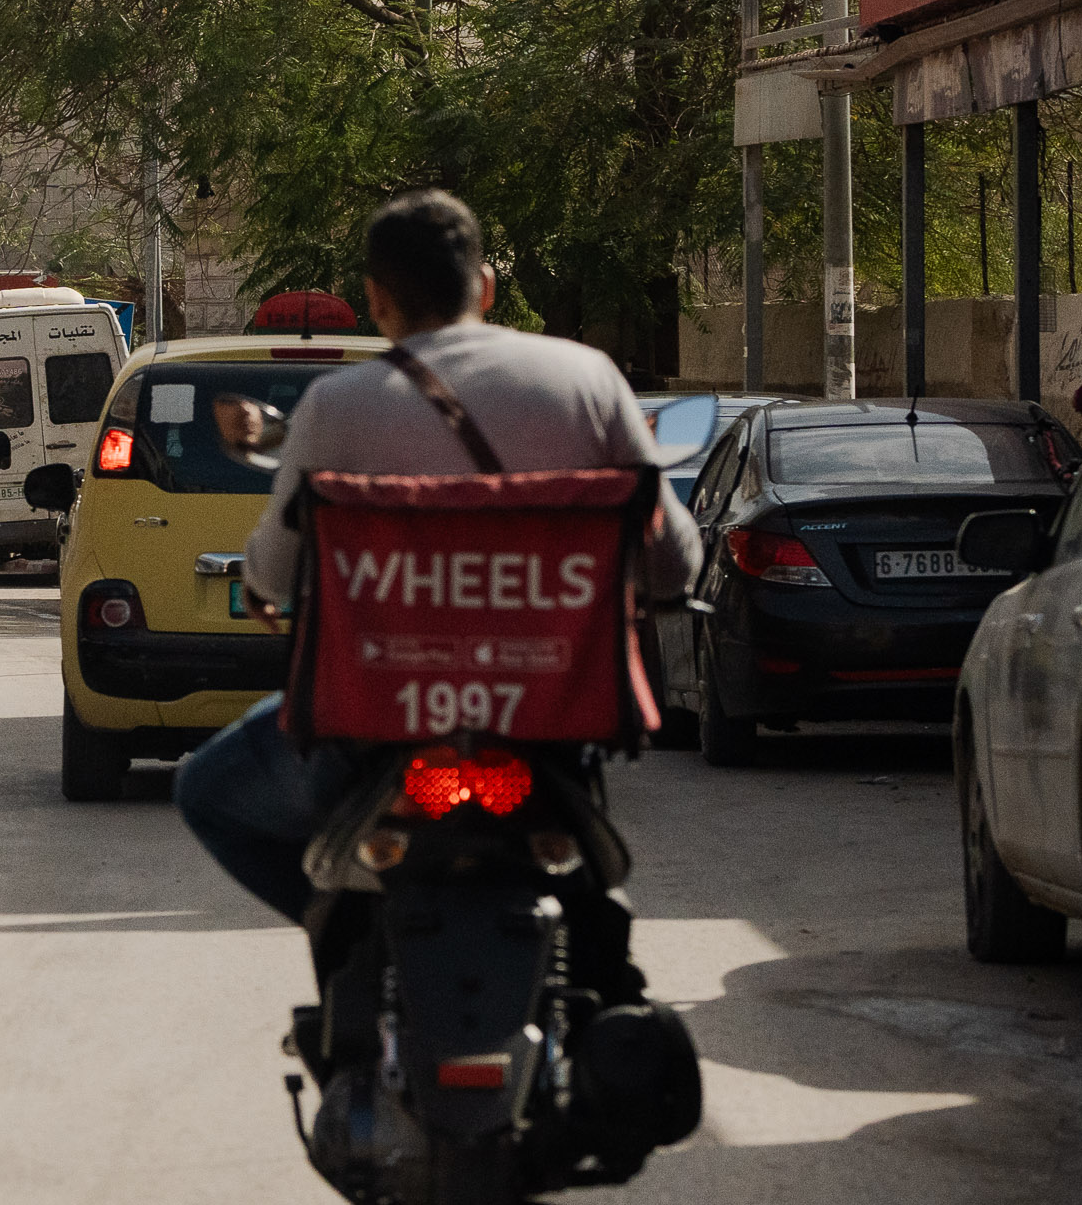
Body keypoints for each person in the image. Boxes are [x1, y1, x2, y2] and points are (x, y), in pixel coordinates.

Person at [174, 188, 699, 1000]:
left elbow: (274, 576)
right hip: (556, 718)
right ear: (484, 286)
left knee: (207, 790)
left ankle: (345, 928)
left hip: (378, 720)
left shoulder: (336, 407)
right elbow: (674, 565)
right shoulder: (588, 379)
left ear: (377, 301)